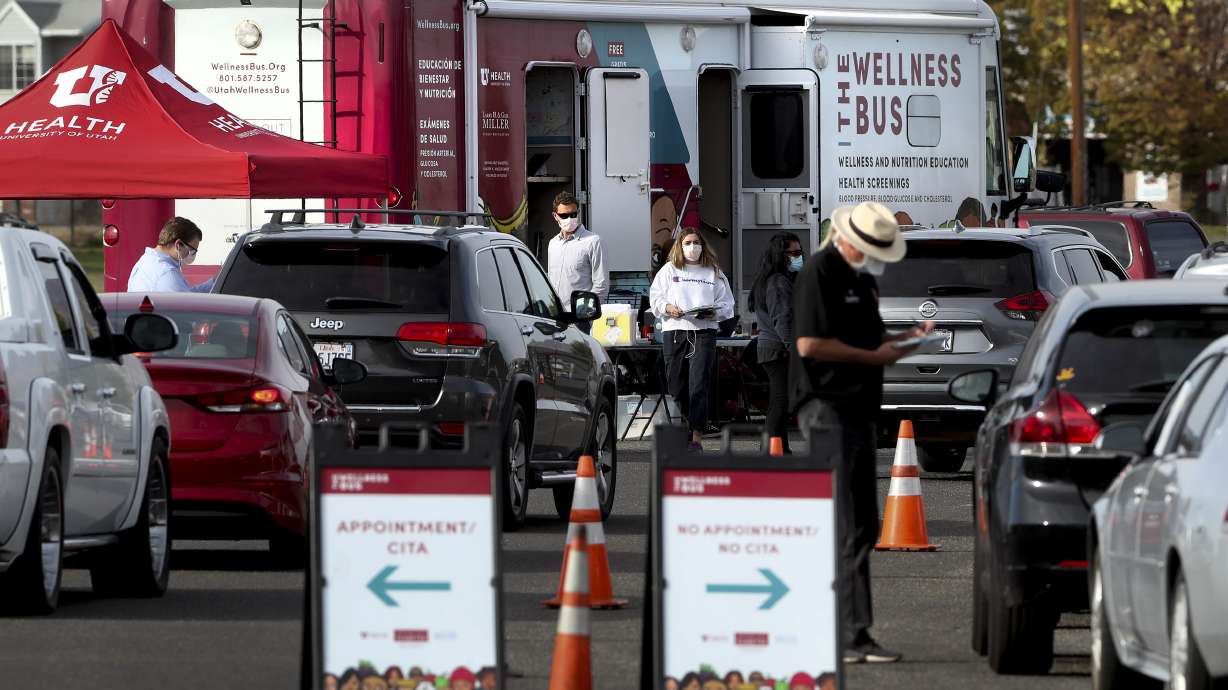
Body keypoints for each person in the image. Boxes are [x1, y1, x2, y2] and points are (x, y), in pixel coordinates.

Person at [791, 201, 933, 664]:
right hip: (827, 407)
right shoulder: (820, 270)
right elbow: (810, 343)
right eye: (870, 247)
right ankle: (846, 633)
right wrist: (875, 358)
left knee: (862, 524)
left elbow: (871, 341)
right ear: (846, 238)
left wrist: (908, 340)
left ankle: (852, 631)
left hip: (858, 410)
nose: (874, 256)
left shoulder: (860, 277)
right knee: (846, 522)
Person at [649, 229, 736, 452]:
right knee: (676, 386)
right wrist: (668, 308)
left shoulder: (713, 271)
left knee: (699, 386)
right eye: (688, 242)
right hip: (675, 331)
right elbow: (656, 298)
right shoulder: (669, 270)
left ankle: (696, 437)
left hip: (704, 332)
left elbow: (728, 305)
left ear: (703, 245)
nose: (692, 247)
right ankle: (690, 425)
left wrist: (712, 313)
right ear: (680, 245)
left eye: (696, 242)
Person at [749, 232, 803, 454]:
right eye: (795, 253)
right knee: (780, 401)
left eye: (800, 252)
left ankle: (780, 447)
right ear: (781, 255)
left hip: (771, 348)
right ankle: (769, 448)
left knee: (781, 400)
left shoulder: (771, 280)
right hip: (777, 349)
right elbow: (782, 319)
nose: (799, 257)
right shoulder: (778, 282)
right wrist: (794, 348)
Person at [546, 191, 607, 333]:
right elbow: (551, 280)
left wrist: (584, 314)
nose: (569, 219)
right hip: (554, 317)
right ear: (555, 216)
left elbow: (601, 284)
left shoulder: (593, 241)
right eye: (564, 216)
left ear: (578, 213)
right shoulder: (553, 243)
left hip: (579, 319)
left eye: (573, 214)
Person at [126, 216, 215, 292]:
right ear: (178, 245)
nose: (190, 255)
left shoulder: (144, 261)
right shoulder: (167, 274)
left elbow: (186, 295)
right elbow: (188, 306)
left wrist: (214, 282)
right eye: (191, 251)